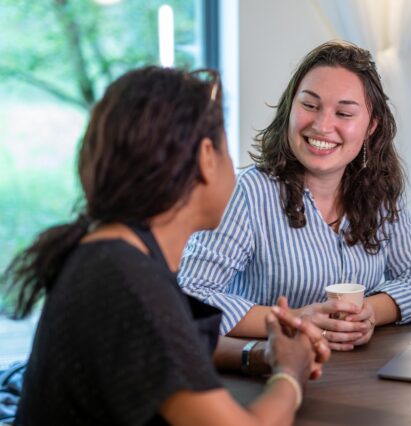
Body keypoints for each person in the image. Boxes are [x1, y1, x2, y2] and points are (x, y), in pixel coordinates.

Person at [1, 66, 330, 425]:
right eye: (227, 151)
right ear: (206, 157)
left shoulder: (117, 252)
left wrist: (263, 353)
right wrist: (290, 373)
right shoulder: (125, 280)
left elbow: (170, 347)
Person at [178, 40, 411, 351]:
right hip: (265, 374)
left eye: (344, 113)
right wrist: (294, 320)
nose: (321, 125)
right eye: (310, 105)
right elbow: (190, 297)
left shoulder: (377, 194)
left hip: (358, 375)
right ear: (290, 108)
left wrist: (370, 313)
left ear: (371, 127)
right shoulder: (247, 193)